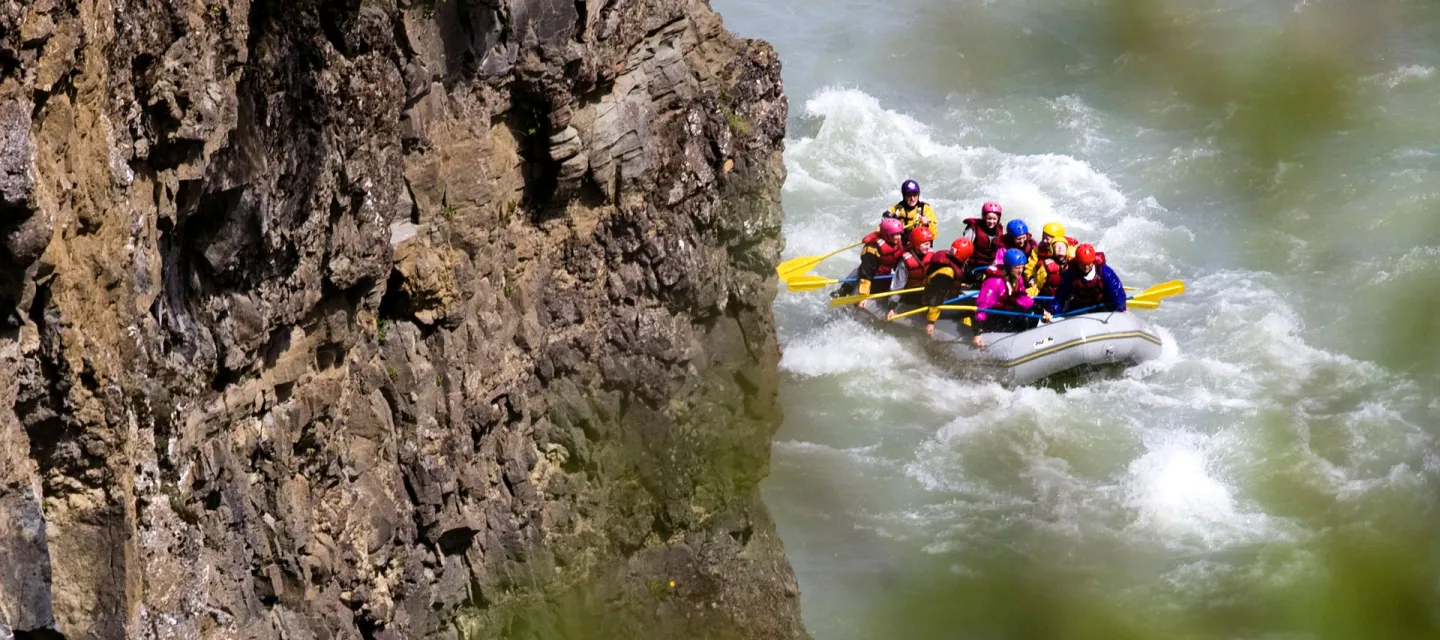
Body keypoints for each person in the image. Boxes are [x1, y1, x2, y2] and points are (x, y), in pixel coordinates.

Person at [901, 237, 978, 336]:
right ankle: (976, 334)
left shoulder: (951, 260)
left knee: (966, 294)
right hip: (933, 306)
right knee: (973, 305)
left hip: (942, 298)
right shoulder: (946, 273)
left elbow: (962, 275)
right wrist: (931, 322)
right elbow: (936, 296)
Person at [1042, 243, 1127, 322]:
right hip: (1080, 307)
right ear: (1078, 262)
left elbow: (1117, 291)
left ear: (1093, 261)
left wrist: (1121, 309)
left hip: (1103, 305)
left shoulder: (1104, 272)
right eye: (1083, 264)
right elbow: (1061, 296)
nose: (1086, 267)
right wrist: (1052, 312)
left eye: (1088, 263)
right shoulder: (1070, 274)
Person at [973, 248, 1034, 347]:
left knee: (1030, 316)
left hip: (1006, 314)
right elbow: (982, 308)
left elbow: (1022, 298)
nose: (1020, 271)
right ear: (1009, 267)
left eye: (1022, 267)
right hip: (993, 318)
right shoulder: (995, 282)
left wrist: (1042, 311)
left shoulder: (1017, 278)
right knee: (1020, 320)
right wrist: (977, 333)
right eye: (1017, 268)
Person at [835, 217, 906, 297]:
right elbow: (866, 274)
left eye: (900, 234)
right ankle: (843, 291)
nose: (899, 237)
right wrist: (863, 296)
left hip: (884, 276)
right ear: (887, 235)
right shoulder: (872, 249)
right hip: (869, 277)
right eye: (896, 234)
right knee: (858, 272)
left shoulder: (897, 243)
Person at [887, 227, 936, 307]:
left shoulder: (931, 254)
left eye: (929, 243)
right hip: (909, 295)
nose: (928, 247)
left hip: (924, 292)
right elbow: (898, 285)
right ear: (916, 244)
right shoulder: (905, 261)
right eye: (925, 244)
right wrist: (892, 306)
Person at [961, 202, 1005, 266]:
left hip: (992, 265)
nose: (992, 222)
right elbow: (964, 248)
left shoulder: (999, 230)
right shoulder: (973, 229)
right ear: (984, 217)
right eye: (989, 219)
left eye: (994, 219)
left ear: (998, 219)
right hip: (974, 265)